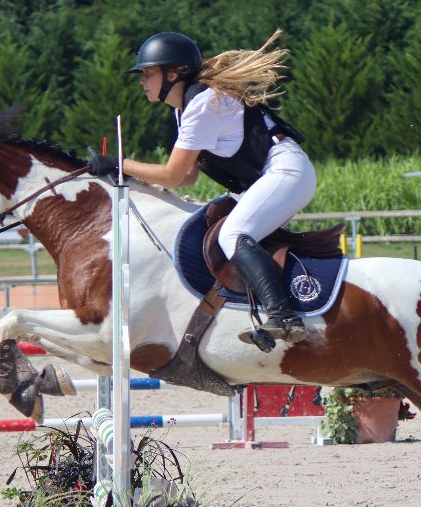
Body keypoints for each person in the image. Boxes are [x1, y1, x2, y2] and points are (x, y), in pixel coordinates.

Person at [87, 30, 314, 345]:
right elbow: (188, 178)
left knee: (232, 235)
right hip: (263, 179)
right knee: (212, 223)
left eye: (148, 73)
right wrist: (126, 171)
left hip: (285, 170)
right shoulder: (185, 109)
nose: (142, 80)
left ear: (173, 73)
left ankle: (284, 317)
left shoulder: (203, 104)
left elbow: (172, 174)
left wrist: (119, 164)